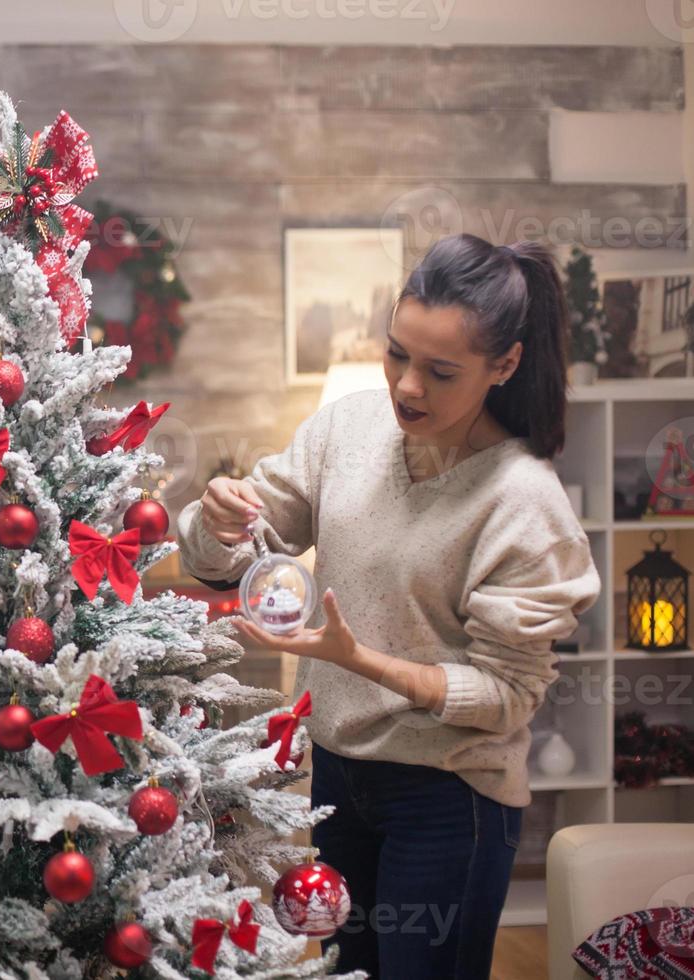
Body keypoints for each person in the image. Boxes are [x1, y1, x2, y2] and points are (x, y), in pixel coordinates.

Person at [177, 234, 600, 979]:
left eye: (440, 372)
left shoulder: (524, 503)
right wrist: (213, 519)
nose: (407, 386)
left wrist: (362, 661)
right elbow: (232, 559)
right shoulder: (347, 429)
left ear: (503, 366)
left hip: (449, 799)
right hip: (337, 778)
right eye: (397, 353)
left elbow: (508, 696)